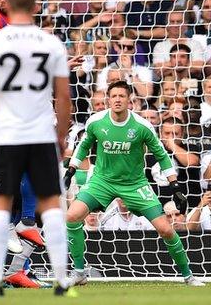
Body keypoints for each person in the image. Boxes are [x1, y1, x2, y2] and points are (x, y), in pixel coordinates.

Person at [0, 0, 74, 299]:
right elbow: (64, 97)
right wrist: (60, 138)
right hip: (41, 133)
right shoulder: (52, 43)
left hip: (6, 133)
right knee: (52, 207)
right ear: (33, 5)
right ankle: (61, 282)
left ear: (8, 3)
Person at [64, 80, 205, 287]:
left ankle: (188, 276)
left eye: (122, 96)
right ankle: (79, 272)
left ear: (129, 100)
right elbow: (84, 146)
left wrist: (175, 185)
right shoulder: (96, 122)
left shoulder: (142, 126)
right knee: (72, 217)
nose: (118, 100)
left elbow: (162, 155)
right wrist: (72, 170)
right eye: (114, 96)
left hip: (135, 184)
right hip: (102, 181)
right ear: (108, 99)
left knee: (166, 229)